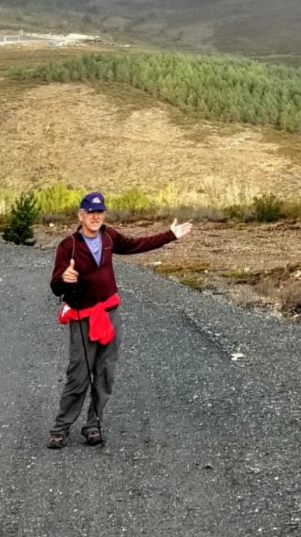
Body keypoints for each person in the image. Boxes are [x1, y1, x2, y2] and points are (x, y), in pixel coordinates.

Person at [46, 191, 192, 449]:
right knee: (78, 375)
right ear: (81, 216)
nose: (95, 217)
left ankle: (93, 426)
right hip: (82, 317)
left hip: (110, 314)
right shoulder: (67, 245)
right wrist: (64, 279)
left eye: (99, 212)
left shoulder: (109, 237)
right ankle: (60, 428)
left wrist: (170, 236)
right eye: (90, 213)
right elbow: (56, 286)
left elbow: (137, 244)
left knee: (105, 373)